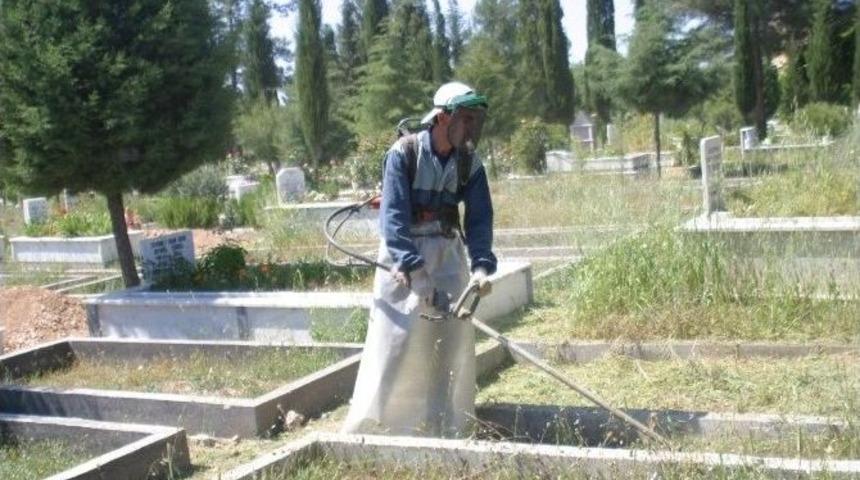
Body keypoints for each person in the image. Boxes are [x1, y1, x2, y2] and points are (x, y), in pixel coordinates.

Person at [342, 82, 497, 438]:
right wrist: (414, 271)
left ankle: (442, 420)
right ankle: (375, 423)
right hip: (404, 256)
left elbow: (479, 218)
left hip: (446, 251)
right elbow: (393, 218)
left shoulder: (469, 163)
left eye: (476, 120)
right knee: (395, 339)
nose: (472, 127)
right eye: (466, 119)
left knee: (448, 340)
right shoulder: (404, 153)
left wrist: (481, 266)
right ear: (443, 117)